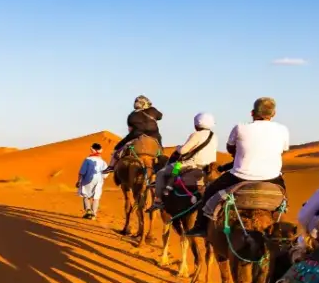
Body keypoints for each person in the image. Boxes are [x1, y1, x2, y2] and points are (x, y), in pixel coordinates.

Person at [183, 97, 289, 234]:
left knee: (210, 191)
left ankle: (201, 226)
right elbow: (284, 150)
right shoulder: (283, 130)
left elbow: (230, 148)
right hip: (272, 177)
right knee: (284, 198)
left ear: (252, 113)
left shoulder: (240, 127)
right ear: (273, 114)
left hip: (240, 176)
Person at [155, 111, 218, 204]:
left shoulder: (196, 134)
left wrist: (178, 147)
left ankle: (158, 200)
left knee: (161, 173)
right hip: (208, 166)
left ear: (197, 124)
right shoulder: (214, 136)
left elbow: (183, 151)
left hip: (192, 164)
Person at [104, 95, 164, 173]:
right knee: (160, 150)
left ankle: (111, 166)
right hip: (154, 135)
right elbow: (160, 117)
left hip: (136, 135)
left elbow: (130, 129)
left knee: (117, 148)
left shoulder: (131, 115)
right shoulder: (152, 110)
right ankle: (161, 163)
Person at [76, 142, 108, 219]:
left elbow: (82, 172)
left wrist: (79, 181)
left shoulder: (87, 159)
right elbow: (106, 174)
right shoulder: (103, 161)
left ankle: (88, 210)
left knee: (86, 195)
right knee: (96, 197)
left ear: (92, 149)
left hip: (87, 179)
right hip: (99, 180)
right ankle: (93, 214)